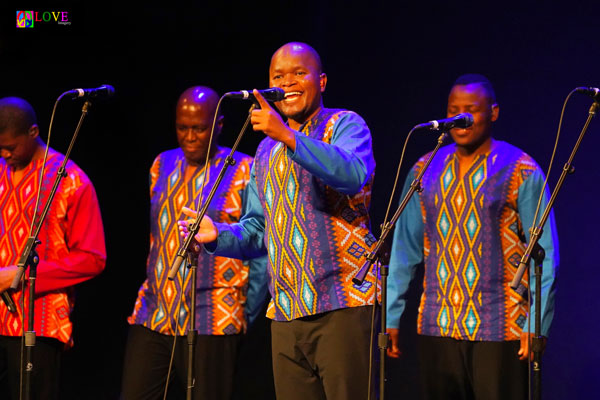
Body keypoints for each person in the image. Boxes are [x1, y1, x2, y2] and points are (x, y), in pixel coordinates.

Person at [180, 42, 378, 400]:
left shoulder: (346, 124)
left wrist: (286, 135)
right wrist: (217, 235)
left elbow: (352, 174)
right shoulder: (265, 152)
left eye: (299, 73)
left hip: (344, 304)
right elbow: (258, 232)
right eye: (278, 76)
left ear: (322, 81)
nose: (288, 82)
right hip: (286, 314)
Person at [386, 74, 559, 399]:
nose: (461, 117)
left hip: (501, 328)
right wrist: (391, 316)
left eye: (472, 109)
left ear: (493, 113)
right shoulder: (424, 169)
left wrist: (537, 323)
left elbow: (544, 255)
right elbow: (403, 251)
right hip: (438, 325)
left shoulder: (520, 169)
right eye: (454, 110)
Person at [122, 86, 264, 400]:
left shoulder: (244, 170)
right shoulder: (162, 164)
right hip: (154, 311)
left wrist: (244, 312)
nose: (189, 137)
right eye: (182, 128)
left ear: (219, 125)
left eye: (199, 129)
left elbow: (260, 246)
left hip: (213, 316)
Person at [0, 96, 106, 400]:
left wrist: (18, 276)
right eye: (0, 148)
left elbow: (93, 259)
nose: (5, 154)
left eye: (11, 147)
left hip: (39, 321)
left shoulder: (71, 180)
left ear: (33, 132)